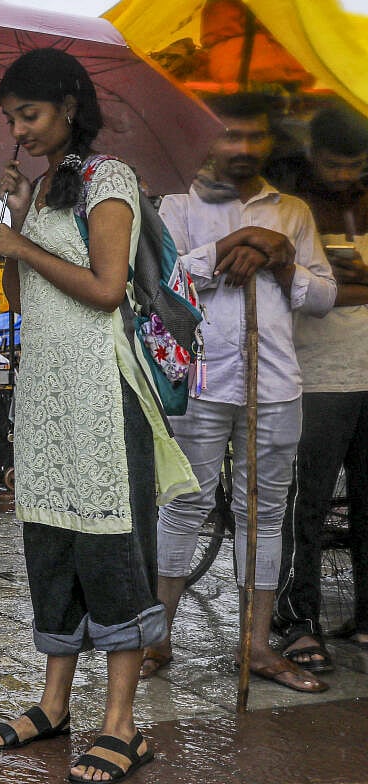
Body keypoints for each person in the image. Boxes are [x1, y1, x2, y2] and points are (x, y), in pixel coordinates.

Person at [0, 48, 197, 782]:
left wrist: (21, 244)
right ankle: (53, 703)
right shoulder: (39, 190)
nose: (20, 129)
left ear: (69, 106)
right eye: (11, 119)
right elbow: (20, 289)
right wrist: (12, 224)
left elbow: (106, 288)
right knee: (52, 545)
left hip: (103, 392)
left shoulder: (112, 179)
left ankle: (123, 724)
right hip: (46, 397)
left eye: (29, 114)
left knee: (110, 550)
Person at [145, 93, 336, 693]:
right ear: (206, 136)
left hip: (276, 383)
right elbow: (163, 286)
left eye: (255, 137)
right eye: (231, 135)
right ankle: (158, 636)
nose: (244, 148)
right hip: (199, 380)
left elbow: (325, 298)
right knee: (182, 505)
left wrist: (281, 259)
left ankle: (254, 645)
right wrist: (235, 243)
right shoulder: (175, 206)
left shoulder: (294, 212)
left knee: (265, 515)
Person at [274, 106, 368, 666]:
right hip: (316, 374)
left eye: (357, 164)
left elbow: (329, 285)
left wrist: (338, 283)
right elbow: (311, 290)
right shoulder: (298, 207)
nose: (345, 175)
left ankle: (365, 617)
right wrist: (338, 284)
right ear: (314, 158)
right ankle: (299, 614)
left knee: (366, 502)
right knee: (305, 503)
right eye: (335, 164)